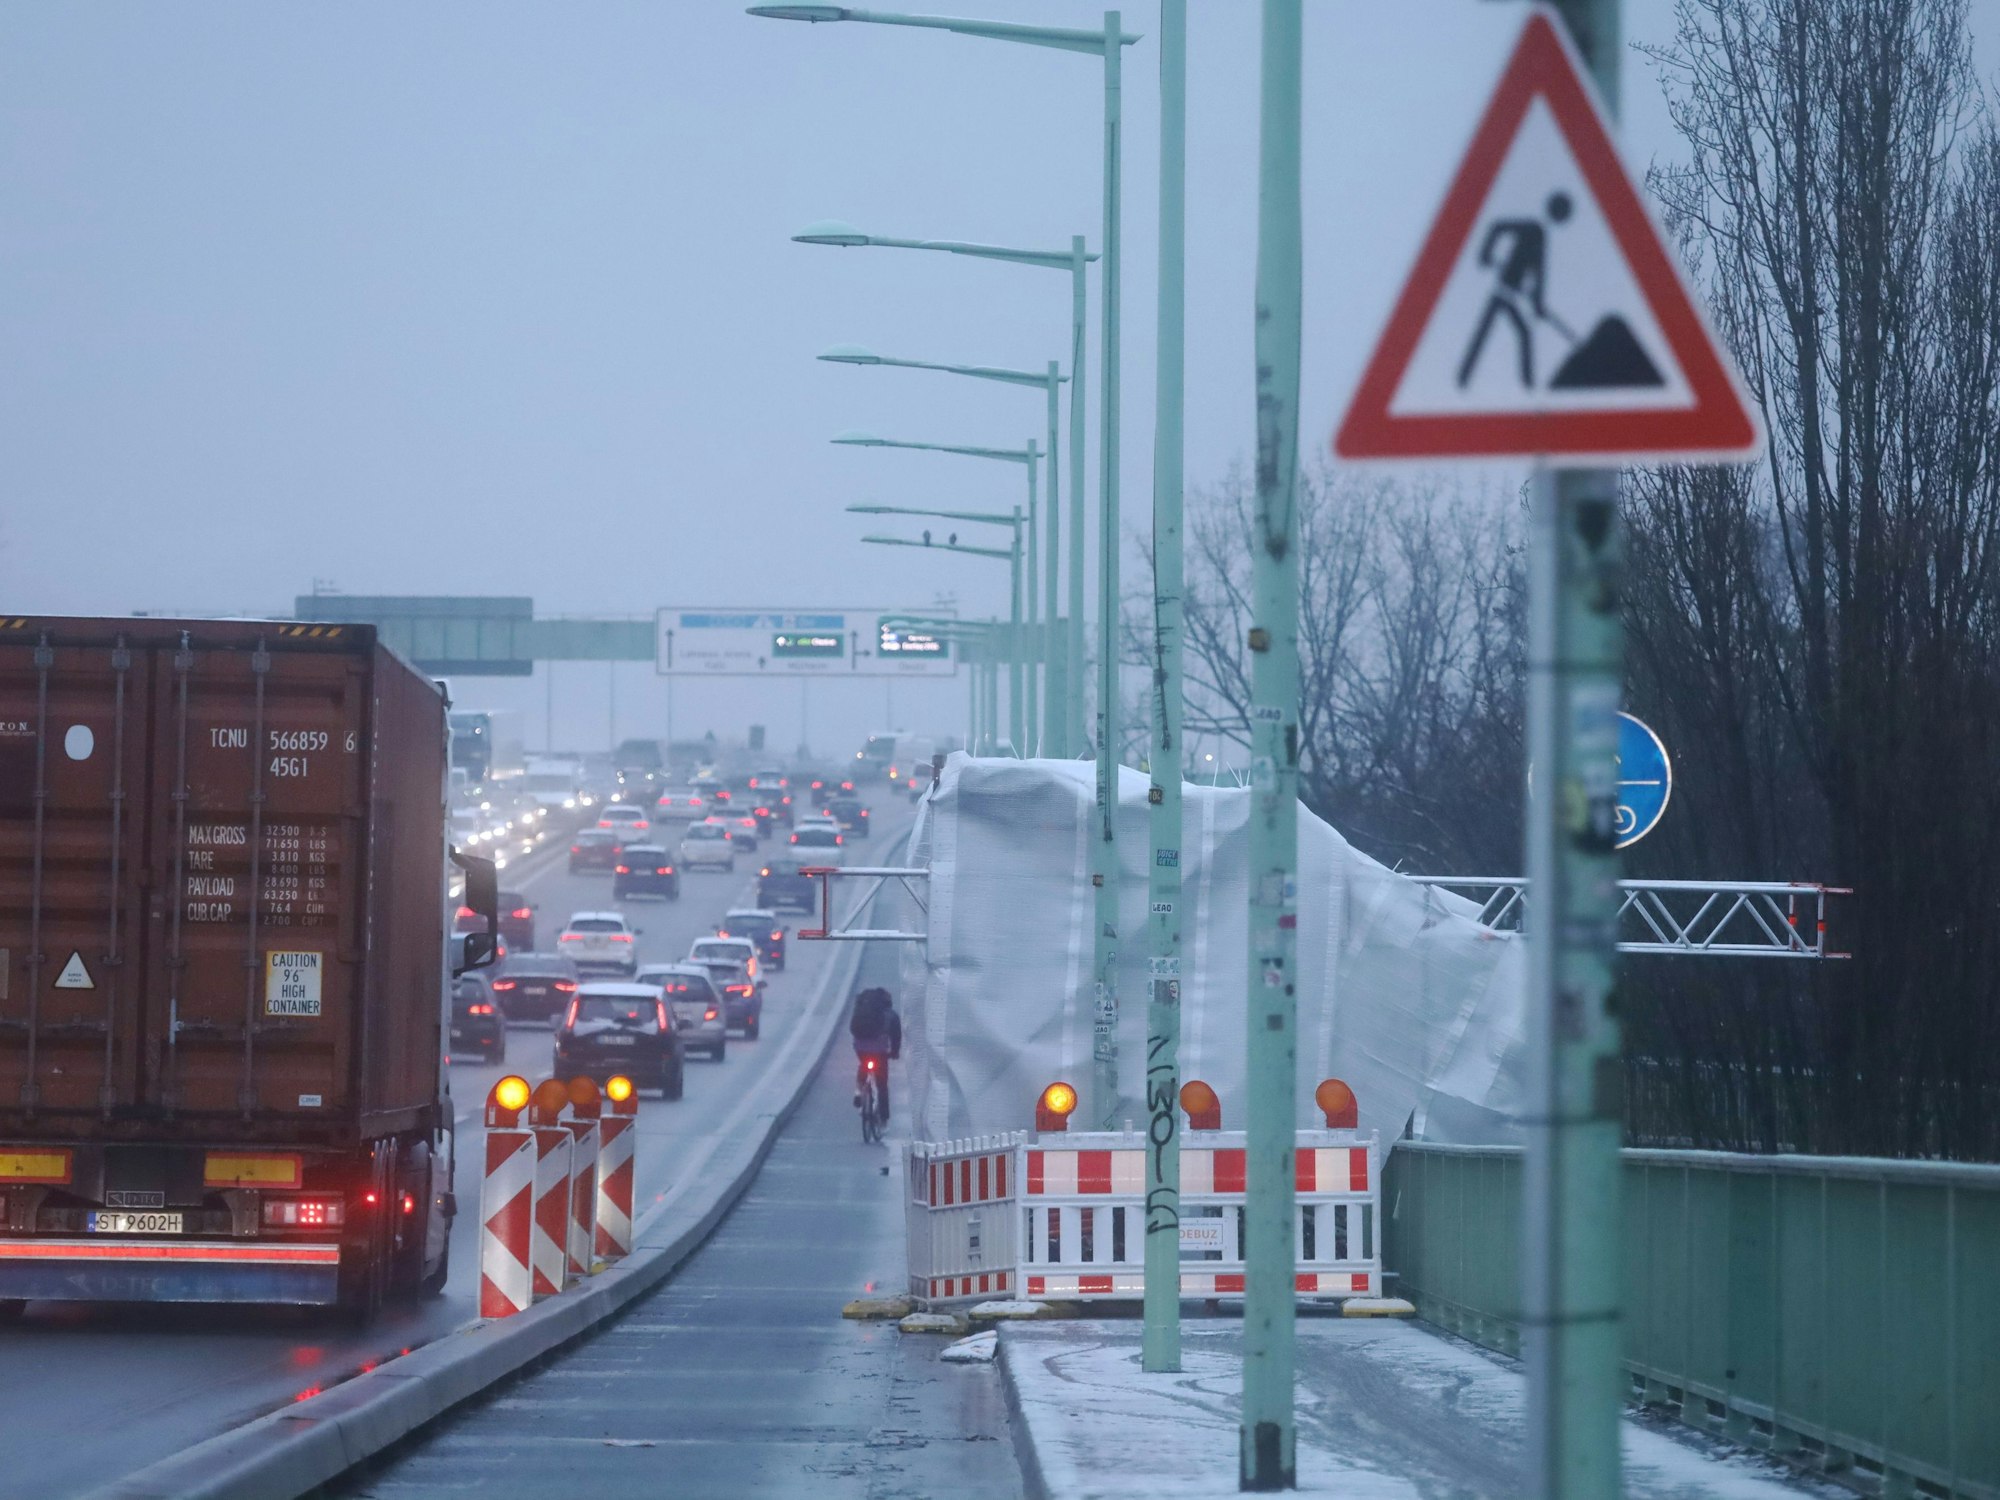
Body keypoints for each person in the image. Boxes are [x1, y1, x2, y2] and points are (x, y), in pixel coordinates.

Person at [849, 986, 902, 1121]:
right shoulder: (890, 1014)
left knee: (863, 1065)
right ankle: (884, 1118)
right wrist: (894, 1052)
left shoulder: (862, 1009)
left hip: (860, 1047)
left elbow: (853, 1027)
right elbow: (896, 1036)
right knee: (881, 1083)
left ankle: (859, 1092)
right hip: (880, 1051)